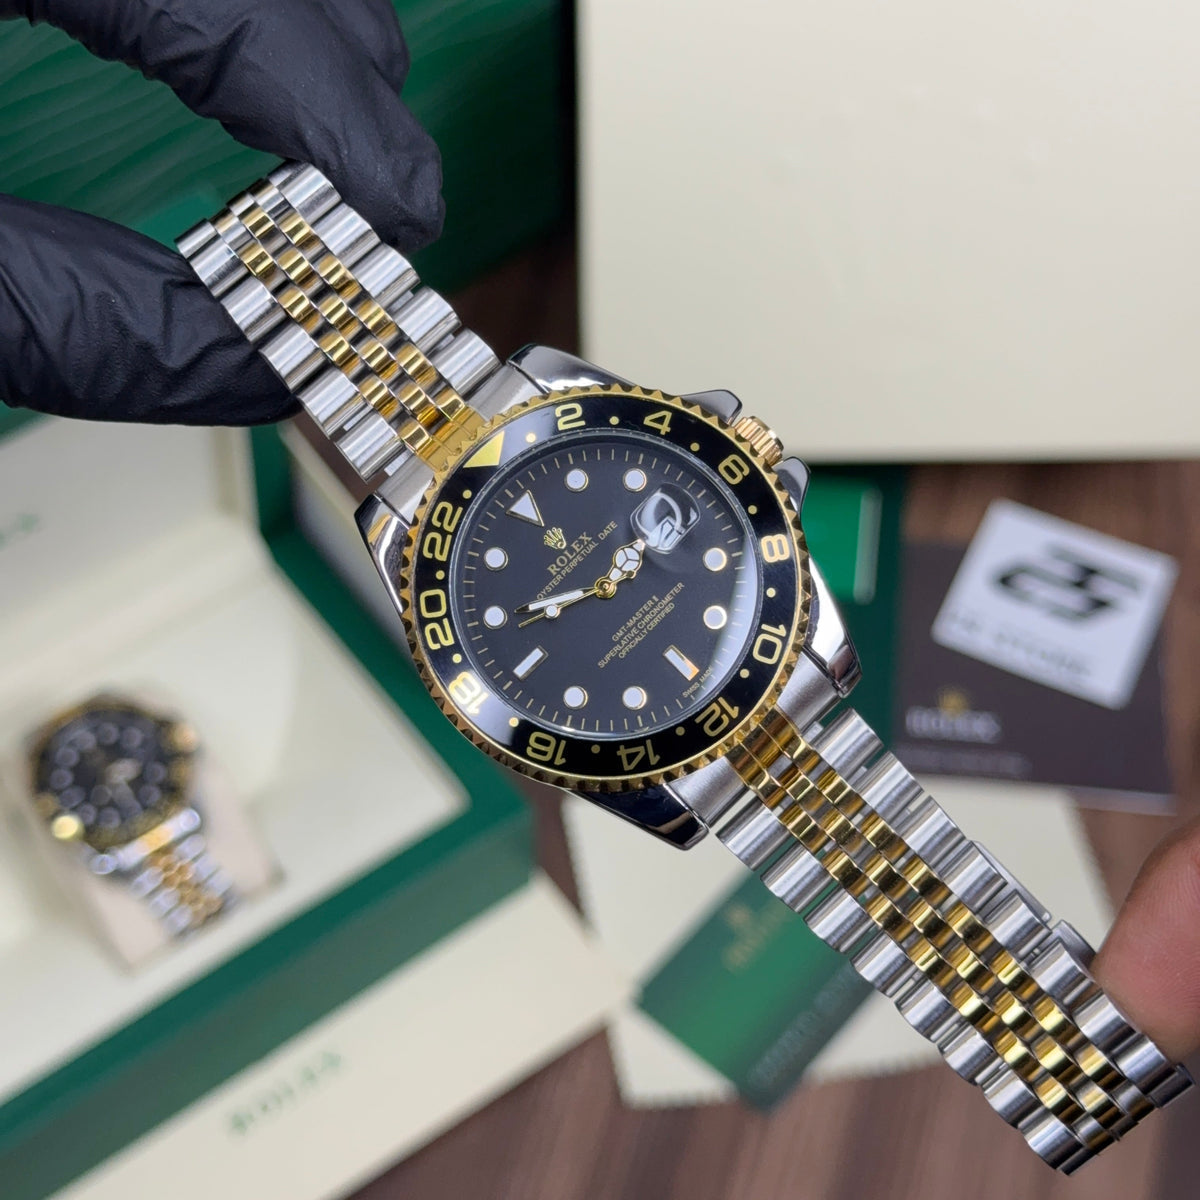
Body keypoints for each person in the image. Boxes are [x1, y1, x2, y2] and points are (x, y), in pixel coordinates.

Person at [1, 0, 1197, 1069]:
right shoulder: (460, 565)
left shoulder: (522, 563)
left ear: (741, 464)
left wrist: (577, 596)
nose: (616, 574)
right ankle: (1066, 1055)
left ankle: (1069, 1061)